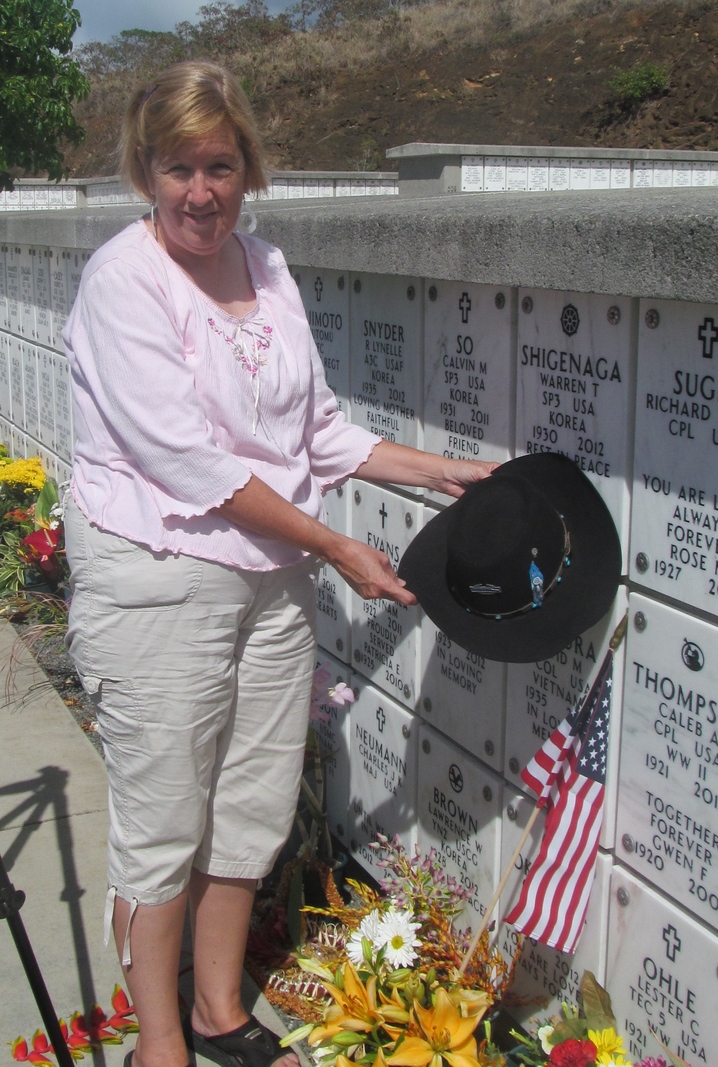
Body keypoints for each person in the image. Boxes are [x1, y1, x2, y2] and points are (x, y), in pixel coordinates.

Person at [62, 61, 495, 1067]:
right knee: (163, 818)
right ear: (144, 171)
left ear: (248, 169)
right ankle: (159, 1043)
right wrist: (334, 544)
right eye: (177, 169)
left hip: (274, 582)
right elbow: (192, 463)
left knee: (251, 801)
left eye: (220, 166)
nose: (199, 192)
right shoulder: (123, 282)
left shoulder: (267, 267)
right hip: (159, 580)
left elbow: (317, 431)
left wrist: (443, 471)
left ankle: (218, 1010)